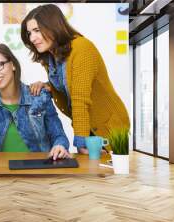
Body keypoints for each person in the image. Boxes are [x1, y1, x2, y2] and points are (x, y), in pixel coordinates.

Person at [20, 4, 130, 154]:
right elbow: (66, 83)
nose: (32, 38)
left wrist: (81, 140)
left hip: (108, 127)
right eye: (29, 33)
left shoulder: (81, 48)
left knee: (110, 176)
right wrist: (48, 86)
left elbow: (79, 98)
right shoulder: (52, 57)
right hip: (88, 126)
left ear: (54, 26)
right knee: (90, 174)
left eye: (37, 30)